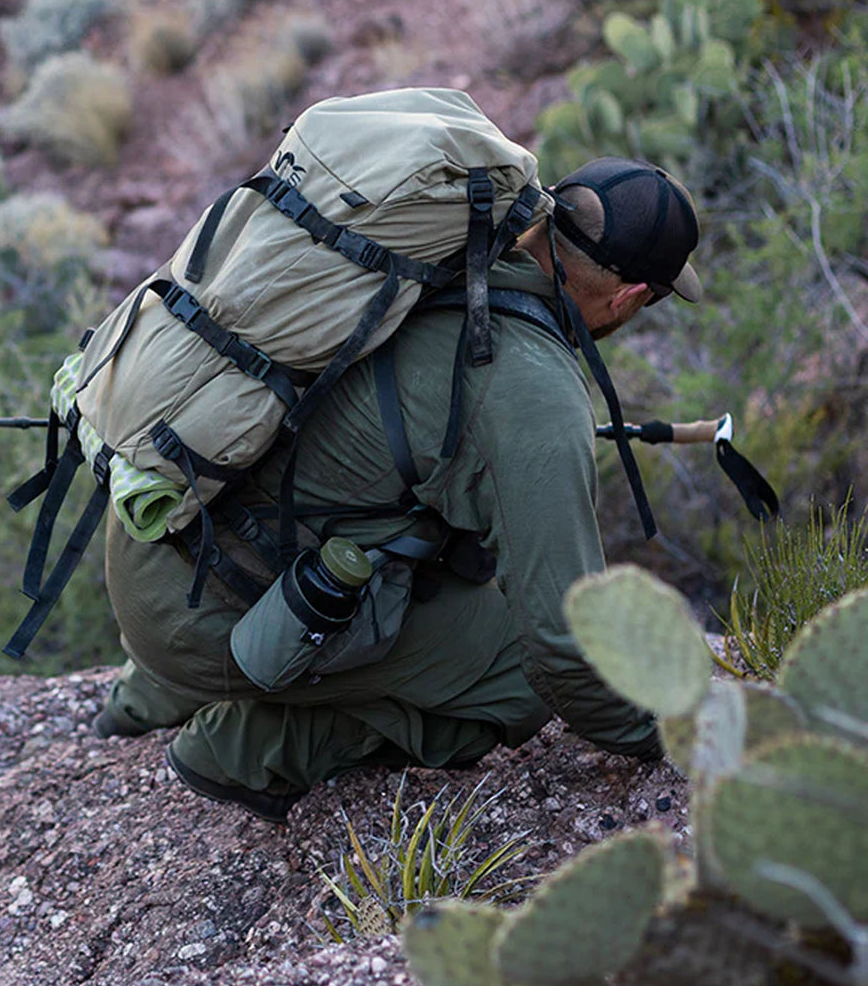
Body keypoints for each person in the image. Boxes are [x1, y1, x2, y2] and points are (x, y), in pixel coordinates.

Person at [93, 155, 703, 823]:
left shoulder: (430, 252)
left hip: (149, 531)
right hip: (208, 619)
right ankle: (246, 746)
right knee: (519, 683)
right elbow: (559, 645)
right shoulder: (538, 393)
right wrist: (669, 738)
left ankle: (141, 702)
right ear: (628, 298)